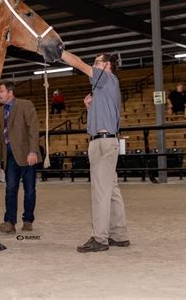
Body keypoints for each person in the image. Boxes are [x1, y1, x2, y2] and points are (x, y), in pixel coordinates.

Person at [61, 51, 130, 253]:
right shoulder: (103, 88)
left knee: (100, 191)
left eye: (97, 61)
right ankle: (119, 234)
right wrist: (89, 107)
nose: (94, 64)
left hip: (103, 143)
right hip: (104, 141)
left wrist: (60, 52)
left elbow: (80, 64)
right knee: (112, 190)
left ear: (107, 65)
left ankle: (100, 238)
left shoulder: (107, 78)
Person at [0, 81, 41, 234]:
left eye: (0, 91)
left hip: (28, 155)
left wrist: (33, 151)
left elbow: (33, 129)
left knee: (30, 191)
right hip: (9, 156)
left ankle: (28, 220)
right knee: (10, 190)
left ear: (10, 92)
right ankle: (9, 222)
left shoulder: (26, 105)